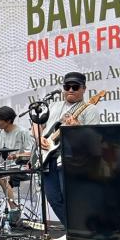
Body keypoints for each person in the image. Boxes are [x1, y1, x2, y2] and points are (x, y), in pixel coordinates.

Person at [36, 71, 102, 227]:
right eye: (67, 86)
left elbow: (93, 137)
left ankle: (82, 232)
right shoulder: (53, 106)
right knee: (53, 198)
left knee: (72, 198)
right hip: (48, 158)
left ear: (84, 89)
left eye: (75, 86)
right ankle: (72, 230)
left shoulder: (89, 109)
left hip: (71, 159)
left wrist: (77, 127)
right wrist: (39, 138)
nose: (71, 89)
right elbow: (36, 123)